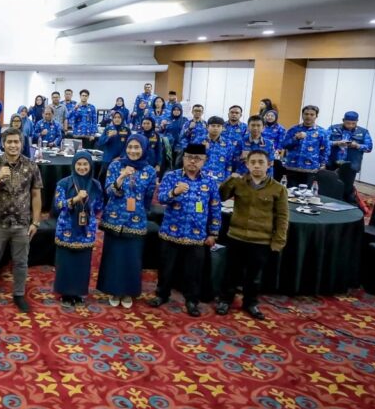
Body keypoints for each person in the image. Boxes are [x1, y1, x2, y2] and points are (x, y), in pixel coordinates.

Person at [217, 150, 289, 321]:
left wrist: (278, 241)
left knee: (254, 276)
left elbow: (282, 217)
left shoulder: (278, 189)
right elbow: (221, 196)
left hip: (261, 240)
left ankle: (250, 303)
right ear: (247, 165)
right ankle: (225, 300)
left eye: (261, 162)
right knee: (231, 272)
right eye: (253, 162)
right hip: (237, 236)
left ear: (269, 164)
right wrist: (230, 180)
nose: (257, 166)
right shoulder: (239, 183)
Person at [152, 143, 222, 317]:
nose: (193, 161)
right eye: (189, 157)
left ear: (204, 160)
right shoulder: (172, 176)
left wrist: (213, 233)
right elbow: (160, 198)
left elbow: (215, 209)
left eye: (197, 158)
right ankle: (162, 295)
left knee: (194, 272)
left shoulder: (210, 182)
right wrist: (174, 192)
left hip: (197, 235)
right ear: (183, 158)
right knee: (166, 268)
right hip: (171, 232)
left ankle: (192, 300)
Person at [0, 128, 42, 313]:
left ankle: (19, 294)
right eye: (9, 142)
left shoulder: (31, 165)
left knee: (21, 262)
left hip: (22, 223)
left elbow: (36, 195)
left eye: (16, 142)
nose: (13, 145)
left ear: (21, 144)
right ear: (3, 144)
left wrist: (36, 222)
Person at [97, 135, 157, 308]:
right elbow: (109, 191)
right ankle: (113, 290)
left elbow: (148, 197)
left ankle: (128, 292)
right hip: (114, 218)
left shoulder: (150, 171)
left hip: (136, 221)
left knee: (132, 258)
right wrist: (121, 177)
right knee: (114, 256)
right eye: (130, 147)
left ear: (144, 149)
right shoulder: (116, 165)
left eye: (137, 147)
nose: (133, 151)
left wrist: (140, 211)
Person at [53, 150, 102, 305]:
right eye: (79, 164)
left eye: (85, 164)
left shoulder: (95, 185)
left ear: (90, 165)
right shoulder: (63, 183)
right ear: (74, 165)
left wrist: (87, 211)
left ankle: (78, 292)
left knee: (82, 262)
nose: (82, 167)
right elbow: (58, 205)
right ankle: (66, 293)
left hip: (86, 231)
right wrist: (75, 199)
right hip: (66, 229)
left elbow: (99, 206)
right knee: (66, 262)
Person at [282, 105, 329, 186]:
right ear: (302, 115)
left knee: (307, 192)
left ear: (316, 116)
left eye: (312, 114)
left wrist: (323, 164)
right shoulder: (293, 129)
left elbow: (326, 149)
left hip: (311, 169)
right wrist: (296, 138)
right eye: (306, 114)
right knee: (289, 191)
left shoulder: (322, 132)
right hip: (292, 167)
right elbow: (284, 145)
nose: (308, 116)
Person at [202, 116, 237, 183]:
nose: (216, 128)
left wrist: (226, 180)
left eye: (218, 126)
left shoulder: (228, 143)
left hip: (220, 179)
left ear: (222, 128)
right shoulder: (199, 141)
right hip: (201, 178)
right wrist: (205, 150)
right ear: (207, 127)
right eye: (213, 126)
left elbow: (229, 163)